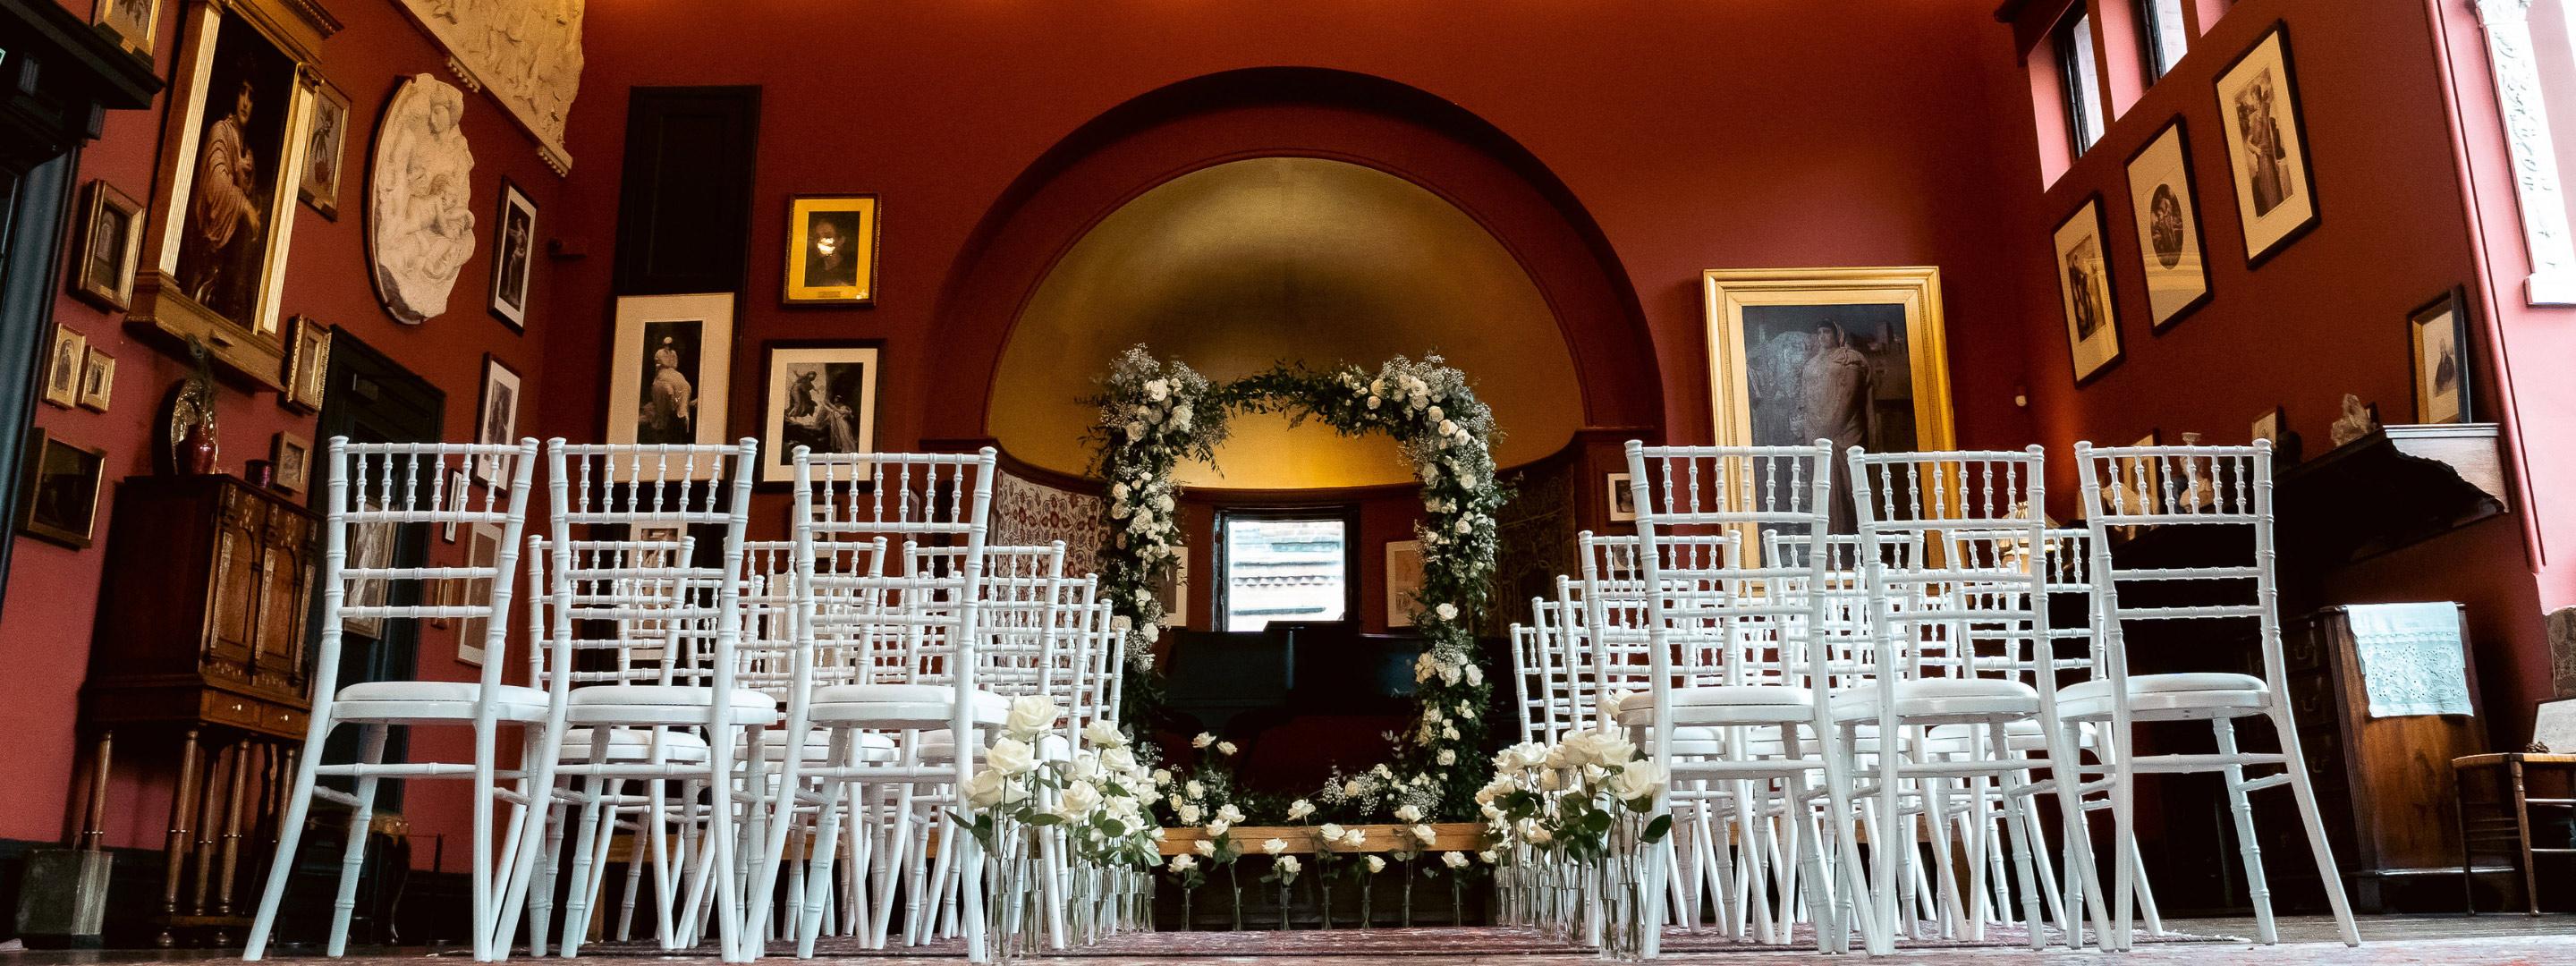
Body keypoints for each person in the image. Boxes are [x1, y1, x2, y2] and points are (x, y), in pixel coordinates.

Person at [183, 80, 266, 316]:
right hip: (207, 258)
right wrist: (244, 207)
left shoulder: (248, 154)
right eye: (242, 92)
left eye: (251, 97)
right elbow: (216, 182)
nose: (245, 103)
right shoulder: (220, 131)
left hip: (230, 267)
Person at [2240, 72, 2292, 216]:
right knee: (2268, 189)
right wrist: (2256, 149)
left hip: (2268, 154)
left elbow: (2265, 109)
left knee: (2273, 187)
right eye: (2254, 98)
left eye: (2256, 97)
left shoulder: (2264, 110)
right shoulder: (2253, 120)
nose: (2255, 101)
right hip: (2262, 156)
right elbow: (2249, 143)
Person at [641, 336, 694, 444]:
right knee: (672, 383)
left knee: (684, 384)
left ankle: (682, 411)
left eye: (669, 345)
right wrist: (667, 363)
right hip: (662, 373)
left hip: (672, 371)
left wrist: (669, 363)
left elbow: (674, 365)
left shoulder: (673, 353)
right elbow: (664, 364)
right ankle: (674, 404)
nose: (668, 346)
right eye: (666, 344)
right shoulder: (659, 353)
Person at [806, 216, 857, 288]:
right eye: (817, 237)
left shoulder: (852, 271)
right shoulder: (811, 272)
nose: (820, 242)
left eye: (827, 236)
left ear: (841, 240)